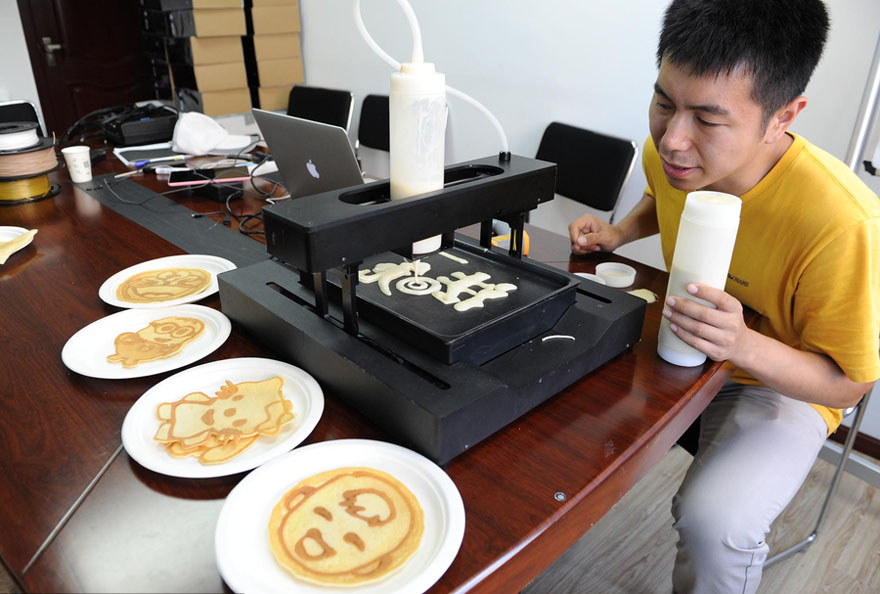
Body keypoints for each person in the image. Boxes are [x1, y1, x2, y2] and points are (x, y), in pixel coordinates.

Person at [568, 1, 880, 592]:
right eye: (664, 102)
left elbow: (849, 384)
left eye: (707, 120)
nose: (673, 140)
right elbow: (661, 196)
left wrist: (743, 345)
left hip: (778, 380)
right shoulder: (670, 157)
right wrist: (620, 232)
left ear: (782, 117)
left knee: (716, 523)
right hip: (681, 336)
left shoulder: (843, 223)